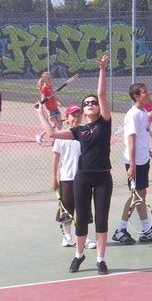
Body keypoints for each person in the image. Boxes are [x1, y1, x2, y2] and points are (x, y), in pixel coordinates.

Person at [36, 54, 112, 275]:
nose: (90, 105)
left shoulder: (104, 124)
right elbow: (51, 133)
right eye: (86, 103)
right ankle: (79, 255)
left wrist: (102, 69)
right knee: (80, 220)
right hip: (82, 177)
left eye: (93, 103)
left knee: (101, 219)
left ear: (98, 109)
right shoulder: (78, 131)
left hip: (103, 177)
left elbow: (101, 93)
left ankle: (100, 259)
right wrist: (40, 113)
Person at [112, 83, 152, 245]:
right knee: (136, 196)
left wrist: (150, 153)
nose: (148, 94)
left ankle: (146, 230)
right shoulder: (133, 115)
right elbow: (131, 140)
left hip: (143, 160)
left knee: (141, 195)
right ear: (136, 96)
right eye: (144, 93)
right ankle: (120, 230)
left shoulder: (143, 113)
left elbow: (142, 137)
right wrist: (133, 165)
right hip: (133, 161)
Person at [51, 104, 96, 249]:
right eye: (73, 116)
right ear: (67, 118)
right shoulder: (60, 137)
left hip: (83, 178)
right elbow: (56, 158)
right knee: (67, 209)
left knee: (84, 209)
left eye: (78, 115)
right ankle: (67, 236)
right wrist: (54, 177)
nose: (76, 118)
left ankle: (86, 238)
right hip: (66, 179)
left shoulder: (84, 134)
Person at [36, 72, 62, 145]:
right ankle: (40, 136)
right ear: (44, 79)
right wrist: (47, 110)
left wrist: (56, 102)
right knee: (54, 125)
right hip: (50, 109)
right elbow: (43, 101)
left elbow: (53, 95)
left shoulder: (50, 86)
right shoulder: (43, 88)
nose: (50, 80)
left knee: (60, 124)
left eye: (50, 78)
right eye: (48, 79)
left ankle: (56, 141)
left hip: (55, 107)